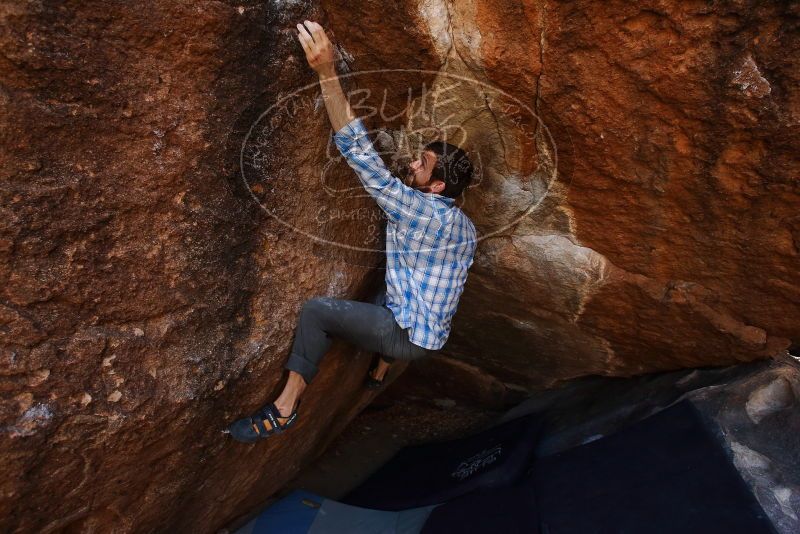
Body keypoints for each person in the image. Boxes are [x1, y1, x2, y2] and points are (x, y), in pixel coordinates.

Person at [228, 20, 477, 443]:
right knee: (388, 287)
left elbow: (359, 153)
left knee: (317, 312)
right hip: (432, 331)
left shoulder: (418, 211)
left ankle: (285, 409)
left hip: (407, 335)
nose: (414, 165)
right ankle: (380, 368)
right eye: (420, 157)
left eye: (424, 166)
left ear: (436, 187)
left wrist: (326, 71)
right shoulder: (463, 224)